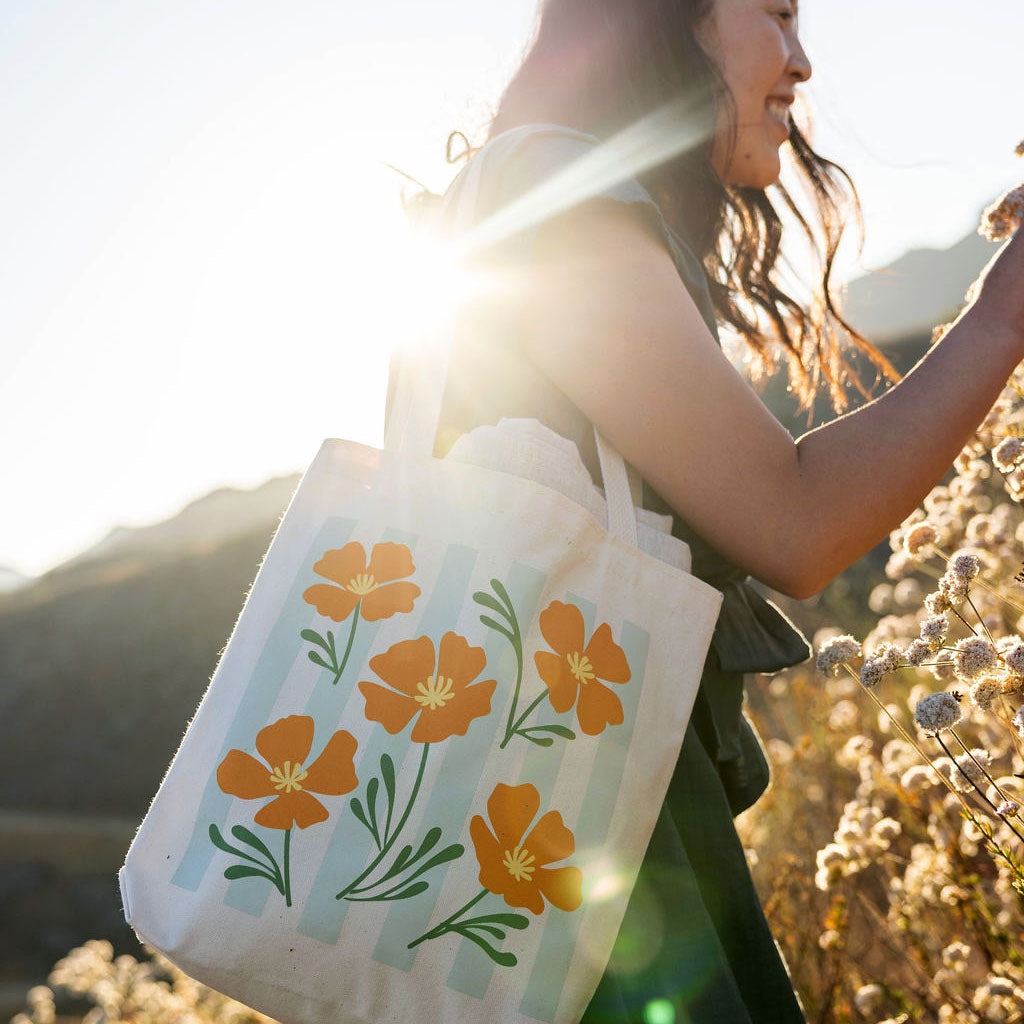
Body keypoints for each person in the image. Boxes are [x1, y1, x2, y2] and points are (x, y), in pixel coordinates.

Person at [389, 0, 1024, 1019]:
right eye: (775, 11)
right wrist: (1003, 309)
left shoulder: (524, 193)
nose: (801, 61)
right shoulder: (549, 194)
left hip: (547, 864)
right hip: (583, 888)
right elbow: (794, 523)